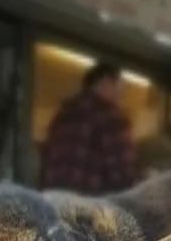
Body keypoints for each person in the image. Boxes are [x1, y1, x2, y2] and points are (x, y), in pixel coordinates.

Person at [41, 61, 137, 195]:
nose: (121, 93)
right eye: (120, 85)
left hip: (53, 199)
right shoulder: (111, 117)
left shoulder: (62, 114)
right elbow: (122, 172)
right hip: (89, 205)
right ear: (106, 81)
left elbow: (47, 157)